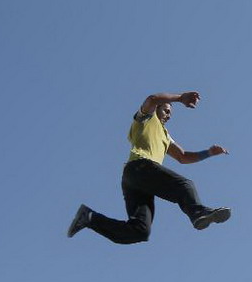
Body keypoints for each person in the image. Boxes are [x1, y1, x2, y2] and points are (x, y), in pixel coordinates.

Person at [67, 91, 231, 244]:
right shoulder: (146, 119)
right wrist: (180, 98)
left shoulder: (165, 135)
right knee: (185, 185)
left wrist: (208, 153)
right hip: (139, 167)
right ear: (158, 109)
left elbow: (183, 157)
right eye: (166, 111)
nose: (168, 116)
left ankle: (89, 217)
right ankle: (198, 212)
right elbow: (152, 99)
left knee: (139, 231)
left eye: (170, 114)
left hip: (137, 182)